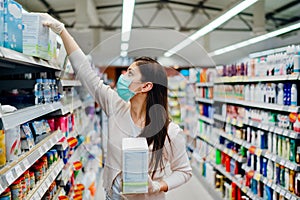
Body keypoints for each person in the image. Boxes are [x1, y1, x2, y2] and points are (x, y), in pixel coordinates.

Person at [41, 13, 192, 200]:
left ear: (146, 86)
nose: (122, 75)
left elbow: (184, 171)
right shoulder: (116, 106)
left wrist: (159, 186)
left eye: (130, 73)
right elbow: (85, 72)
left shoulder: (170, 131)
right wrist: (63, 31)